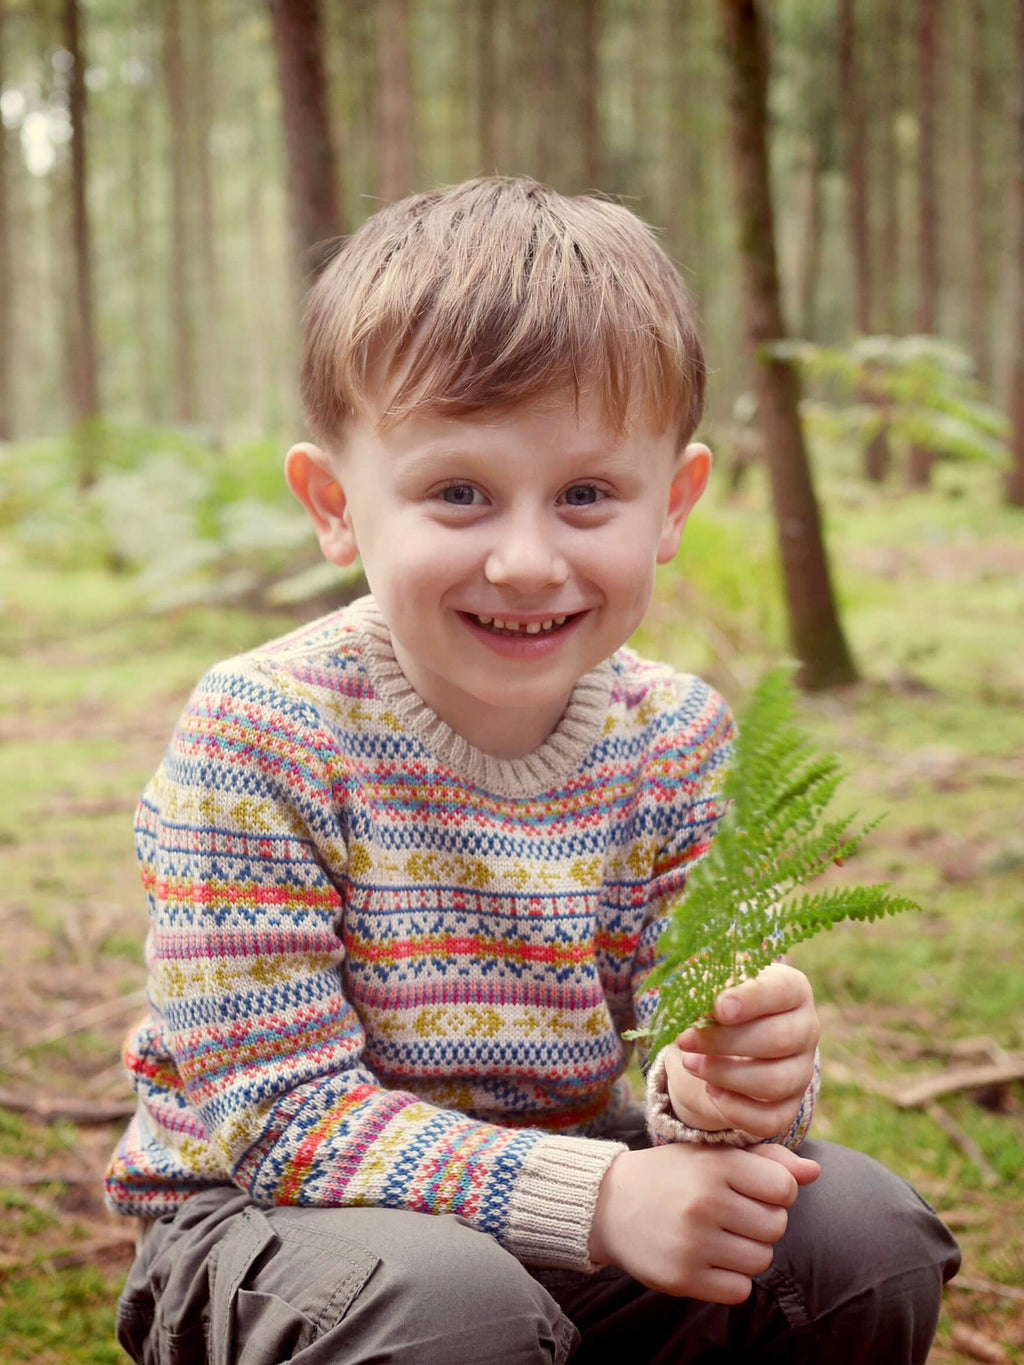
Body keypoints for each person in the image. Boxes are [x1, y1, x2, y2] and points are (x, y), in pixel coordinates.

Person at [106, 176, 959, 1364]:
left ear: (672, 505)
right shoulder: (263, 733)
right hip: (277, 1239)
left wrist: (722, 1086)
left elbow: (685, 1047)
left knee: (856, 1238)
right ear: (335, 504)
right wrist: (602, 1202)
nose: (523, 560)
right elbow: (278, 1118)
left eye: (586, 495)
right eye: (459, 493)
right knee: (454, 1309)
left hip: (567, 1226)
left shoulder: (676, 738)